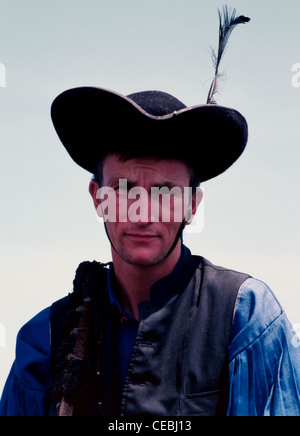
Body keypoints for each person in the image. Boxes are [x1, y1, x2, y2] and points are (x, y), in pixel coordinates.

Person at [1, 9, 300, 417]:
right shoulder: (44, 339)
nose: (144, 213)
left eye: (165, 192)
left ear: (193, 205)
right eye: (124, 190)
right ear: (97, 197)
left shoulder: (245, 319)